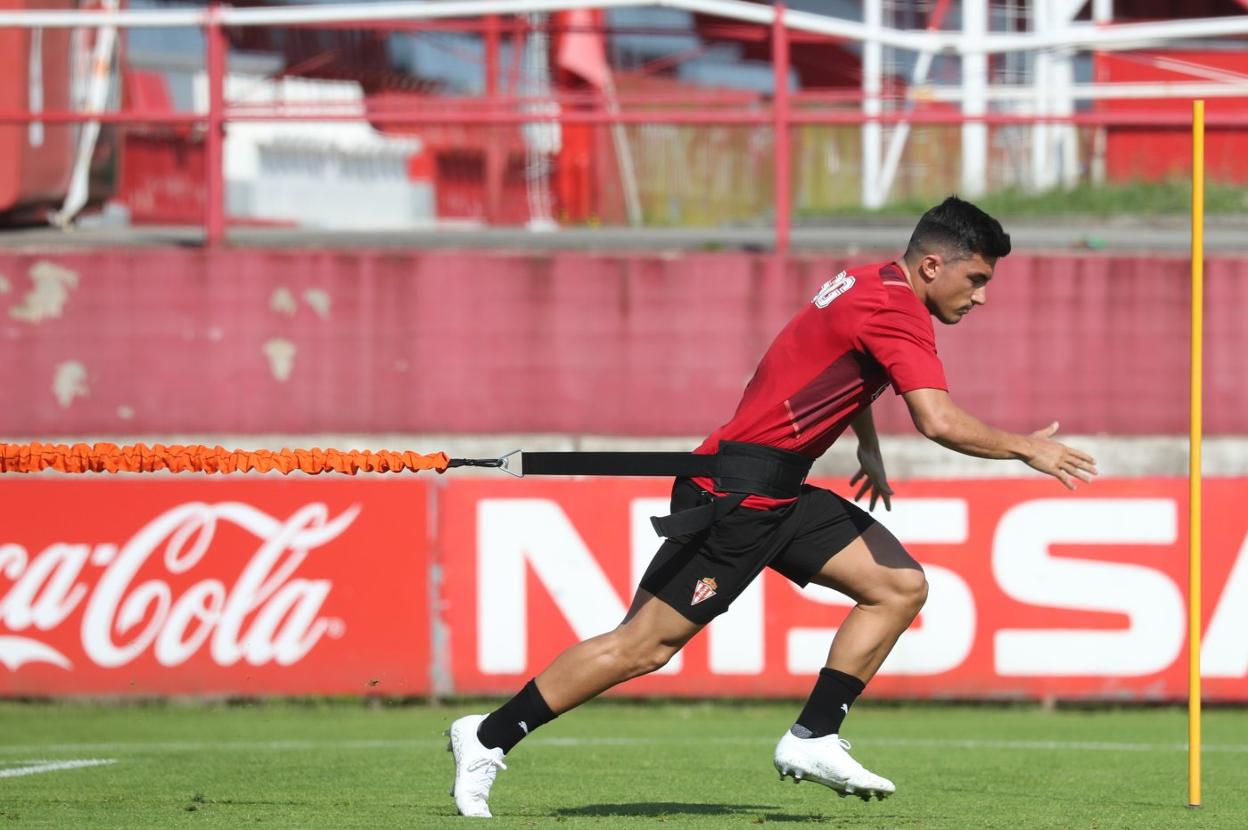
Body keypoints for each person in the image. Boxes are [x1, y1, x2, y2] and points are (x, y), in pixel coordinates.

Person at [445, 196, 1099, 818]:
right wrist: (1025, 450)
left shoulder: (867, 281)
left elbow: (847, 369)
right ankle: (489, 736)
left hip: (777, 488)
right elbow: (938, 420)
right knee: (640, 648)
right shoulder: (898, 311)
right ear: (933, 265)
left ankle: (813, 737)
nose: (980, 296)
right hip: (738, 496)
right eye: (977, 278)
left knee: (898, 586)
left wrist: (866, 448)